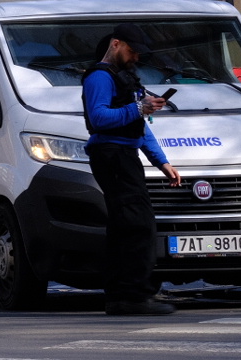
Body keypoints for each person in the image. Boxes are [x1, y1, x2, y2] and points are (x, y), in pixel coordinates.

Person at [85, 31, 183, 316]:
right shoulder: (99, 77)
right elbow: (98, 117)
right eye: (133, 50)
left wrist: (161, 162)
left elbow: (141, 125)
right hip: (112, 156)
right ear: (116, 44)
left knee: (124, 228)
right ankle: (136, 295)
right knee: (138, 225)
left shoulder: (121, 76)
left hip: (122, 156)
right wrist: (139, 107)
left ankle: (120, 296)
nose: (136, 57)